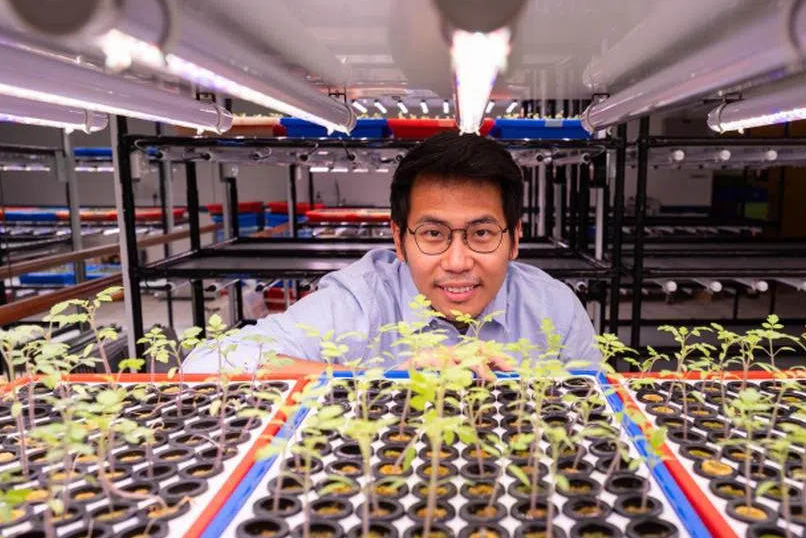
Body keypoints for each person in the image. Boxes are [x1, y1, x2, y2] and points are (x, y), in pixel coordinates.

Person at [182, 132, 601, 373]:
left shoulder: (553, 307)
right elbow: (205, 363)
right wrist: (383, 380)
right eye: (433, 234)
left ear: (515, 240)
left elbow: (600, 411)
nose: (457, 262)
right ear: (398, 240)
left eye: (482, 233)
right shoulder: (361, 302)